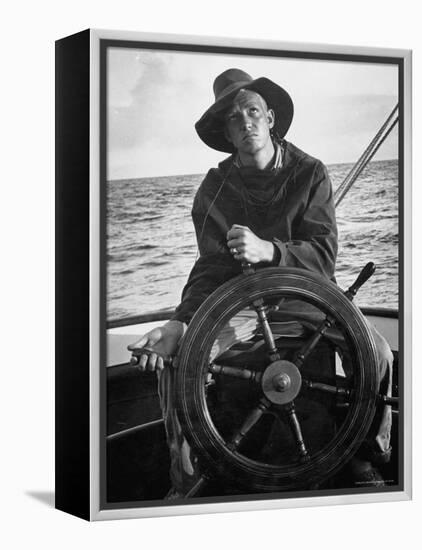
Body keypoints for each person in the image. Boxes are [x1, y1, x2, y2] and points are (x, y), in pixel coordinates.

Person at [128, 69, 393, 497]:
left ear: (270, 117)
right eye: (234, 118)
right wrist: (179, 324)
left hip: (307, 298)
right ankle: (186, 478)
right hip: (245, 308)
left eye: (252, 111)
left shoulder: (311, 172)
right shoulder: (214, 188)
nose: (245, 122)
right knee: (178, 363)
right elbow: (209, 271)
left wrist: (269, 250)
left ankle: (371, 450)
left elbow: (323, 258)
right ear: (227, 132)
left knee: (379, 354)